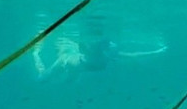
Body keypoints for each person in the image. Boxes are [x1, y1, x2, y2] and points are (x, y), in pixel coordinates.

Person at [31, 17, 167, 81]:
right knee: (42, 78)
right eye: (110, 44)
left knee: (69, 85)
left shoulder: (106, 54)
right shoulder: (94, 52)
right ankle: (36, 54)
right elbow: (83, 48)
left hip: (79, 67)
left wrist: (156, 52)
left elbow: (134, 55)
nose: (114, 45)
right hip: (66, 61)